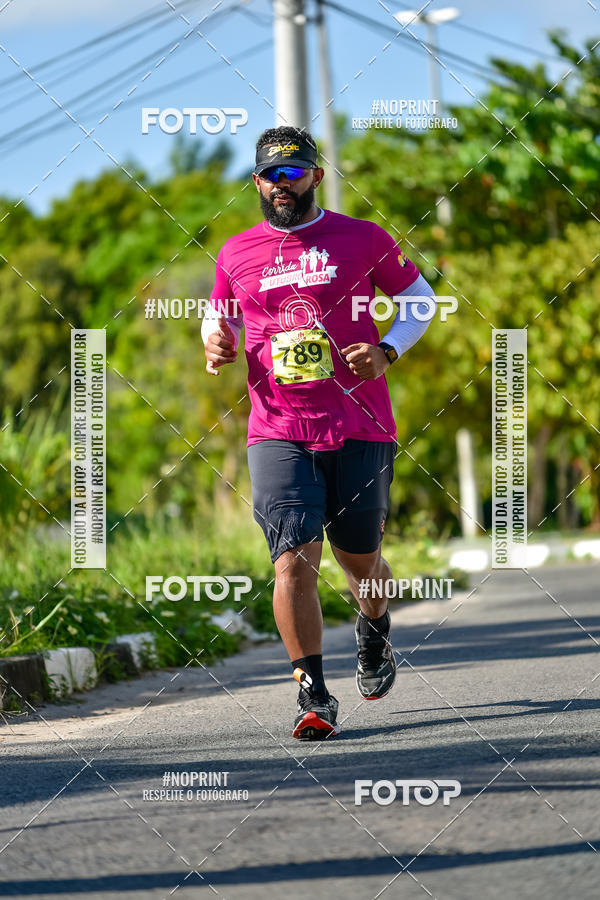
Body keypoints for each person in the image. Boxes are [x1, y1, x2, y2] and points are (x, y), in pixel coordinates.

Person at [202, 126, 436, 740]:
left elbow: (421, 301)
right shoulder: (236, 251)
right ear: (257, 182)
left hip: (360, 424)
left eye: (293, 172)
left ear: (316, 176)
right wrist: (216, 341)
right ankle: (313, 693)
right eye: (270, 175)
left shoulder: (363, 238)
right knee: (292, 560)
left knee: (360, 560)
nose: (282, 184)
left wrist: (387, 350)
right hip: (277, 428)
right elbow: (220, 315)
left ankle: (374, 627)